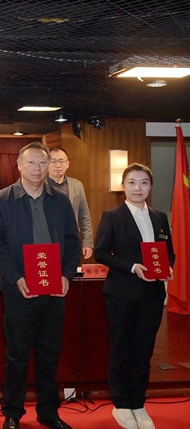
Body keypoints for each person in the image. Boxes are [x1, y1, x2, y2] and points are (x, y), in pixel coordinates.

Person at [0, 142, 81, 429]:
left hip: (55, 290)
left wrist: (66, 275)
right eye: (31, 162)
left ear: (49, 165)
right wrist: (16, 277)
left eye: (42, 162)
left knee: (49, 354)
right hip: (19, 290)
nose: (37, 168)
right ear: (19, 166)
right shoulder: (2, 199)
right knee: (17, 355)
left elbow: (72, 240)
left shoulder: (60, 200)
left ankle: (48, 412)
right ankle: (12, 413)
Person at [94, 163, 175, 429]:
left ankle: (138, 404)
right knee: (121, 350)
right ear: (123, 186)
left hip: (152, 295)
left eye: (143, 182)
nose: (137, 188)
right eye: (131, 182)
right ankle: (121, 406)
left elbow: (169, 252)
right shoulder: (112, 216)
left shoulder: (159, 217)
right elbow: (100, 252)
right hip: (121, 294)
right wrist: (132, 267)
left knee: (143, 351)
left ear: (150, 187)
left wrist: (168, 267)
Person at [47, 148, 94, 259]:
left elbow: (84, 215)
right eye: (53, 161)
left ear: (67, 164)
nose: (58, 165)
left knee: (70, 268)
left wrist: (88, 242)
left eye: (61, 161)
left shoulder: (77, 185)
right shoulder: (39, 185)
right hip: (46, 239)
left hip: (70, 239)